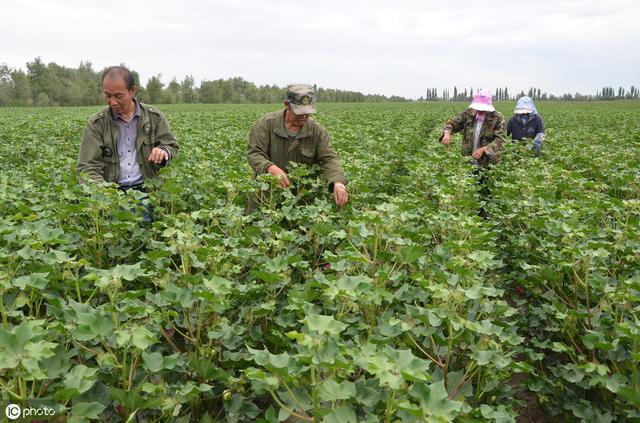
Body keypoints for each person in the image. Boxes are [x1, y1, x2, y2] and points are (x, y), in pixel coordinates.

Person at [246, 84, 348, 211]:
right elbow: (254, 153)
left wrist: (338, 182)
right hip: (266, 195)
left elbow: (329, 159)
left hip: (301, 198)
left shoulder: (317, 131)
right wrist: (270, 168)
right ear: (287, 104)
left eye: (308, 113)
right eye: (299, 112)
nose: (304, 116)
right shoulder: (266, 124)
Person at [77, 66, 179, 188]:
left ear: (133, 91)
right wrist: (106, 195)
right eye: (108, 96)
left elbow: (172, 147)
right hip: (112, 193)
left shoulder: (154, 117)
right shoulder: (97, 124)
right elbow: (87, 168)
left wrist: (163, 151)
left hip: (148, 191)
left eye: (118, 96)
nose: (113, 102)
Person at [440, 89, 507, 166]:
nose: (480, 110)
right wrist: (447, 134)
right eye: (478, 108)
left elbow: (500, 140)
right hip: (468, 159)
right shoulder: (469, 113)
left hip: (488, 162)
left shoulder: (497, 118)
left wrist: (484, 149)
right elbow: (452, 124)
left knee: (485, 176)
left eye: (483, 108)